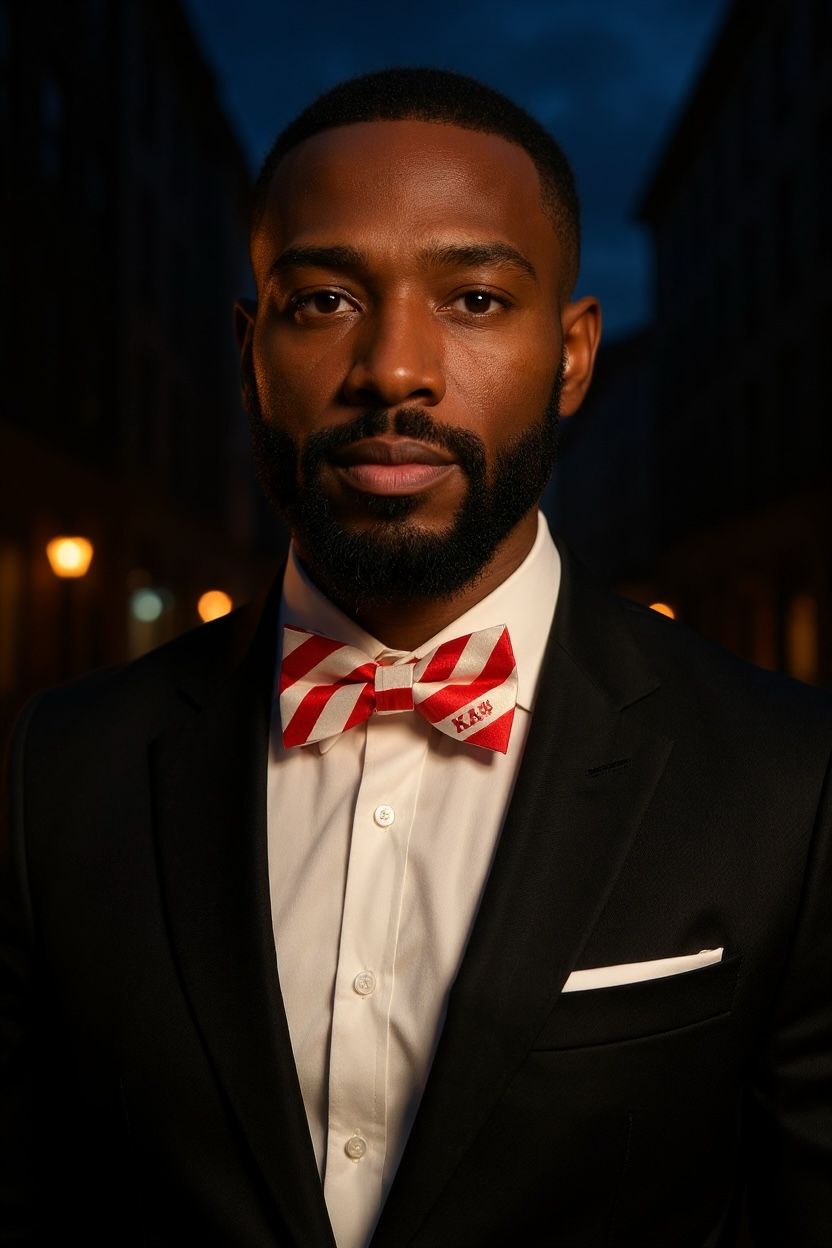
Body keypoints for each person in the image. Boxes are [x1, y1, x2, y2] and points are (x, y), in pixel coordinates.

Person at [1, 67, 830, 1248]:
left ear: (573, 355)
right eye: (323, 299)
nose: (392, 368)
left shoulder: (790, 777)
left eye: (475, 299)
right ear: (248, 352)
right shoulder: (56, 772)